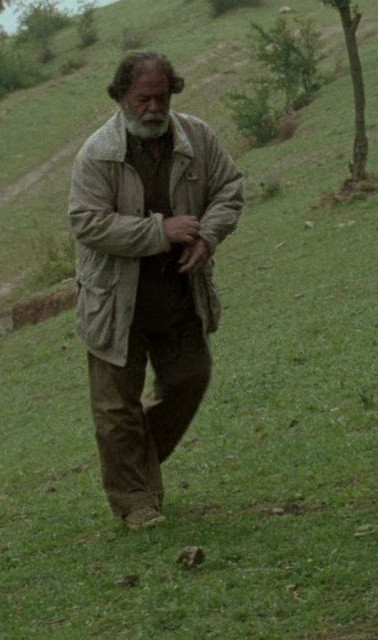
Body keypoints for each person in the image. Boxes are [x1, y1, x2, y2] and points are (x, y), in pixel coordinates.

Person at [69, 51, 245, 527]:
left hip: (178, 294)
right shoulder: (97, 154)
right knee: (114, 408)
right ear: (121, 96)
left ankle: (135, 465)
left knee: (191, 378)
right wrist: (158, 232)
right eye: (143, 98)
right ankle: (136, 504)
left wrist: (208, 235)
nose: (153, 108)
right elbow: (85, 222)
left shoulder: (199, 138)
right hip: (114, 300)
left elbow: (229, 189)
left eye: (161, 97)